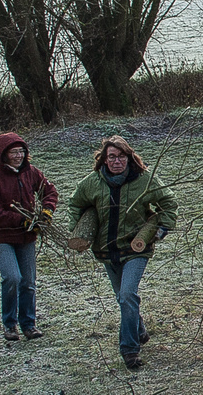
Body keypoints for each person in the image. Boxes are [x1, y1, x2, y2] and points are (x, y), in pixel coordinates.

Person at [68, 137, 178, 370]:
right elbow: (75, 204)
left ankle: (129, 350)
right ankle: (139, 329)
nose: (117, 161)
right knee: (122, 297)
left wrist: (163, 227)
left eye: (121, 157)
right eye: (112, 157)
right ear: (104, 160)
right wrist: (79, 231)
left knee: (127, 294)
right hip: (107, 251)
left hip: (136, 248)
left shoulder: (145, 180)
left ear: (129, 158)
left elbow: (168, 201)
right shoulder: (92, 183)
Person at [0, 133, 59, 341]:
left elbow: (49, 191)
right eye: (14, 152)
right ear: (3, 154)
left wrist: (46, 212)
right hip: (0, 236)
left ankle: (28, 324)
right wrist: (20, 220)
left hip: (26, 235)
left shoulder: (31, 172)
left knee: (29, 281)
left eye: (21, 151)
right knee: (12, 277)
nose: (18, 156)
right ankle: (10, 324)